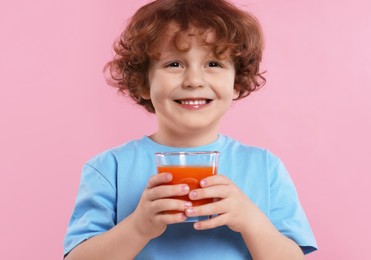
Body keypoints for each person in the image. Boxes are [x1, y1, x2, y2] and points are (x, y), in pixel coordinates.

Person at [64, 0, 318, 259]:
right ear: (144, 83)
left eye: (214, 64)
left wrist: (251, 221)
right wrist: (138, 227)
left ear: (236, 83)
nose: (194, 81)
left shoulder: (265, 168)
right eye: (174, 64)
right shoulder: (110, 168)